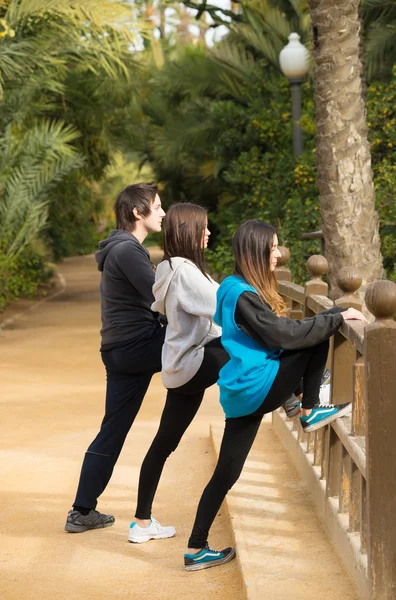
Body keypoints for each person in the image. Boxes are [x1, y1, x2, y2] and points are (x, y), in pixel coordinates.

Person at [184, 219, 366, 571]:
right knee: (313, 336)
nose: (278, 254)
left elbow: (267, 336)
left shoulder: (231, 287)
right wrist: (336, 314)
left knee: (227, 472)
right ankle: (309, 408)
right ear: (255, 251)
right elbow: (285, 337)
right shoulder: (243, 296)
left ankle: (195, 549)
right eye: (272, 249)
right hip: (256, 385)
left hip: (243, 389)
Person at [65, 183, 166, 533]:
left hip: (120, 350)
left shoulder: (120, 249)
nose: (163, 213)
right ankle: (291, 395)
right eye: (157, 207)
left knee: (112, 431)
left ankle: (82, 511)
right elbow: (161, 297)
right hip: (139, 344)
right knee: (214, 341)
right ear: (138, 213)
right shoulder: (127, 250)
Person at [127, 203, 229, 544]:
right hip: (193, 362)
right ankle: (297, 398)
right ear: (187, 231)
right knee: (244, 344)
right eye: (203, 228)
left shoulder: (170, 267)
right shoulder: (184, 271)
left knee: (162, 445)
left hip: (180, 367)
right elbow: (223, 309)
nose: (209, 233)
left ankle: (141, 522)